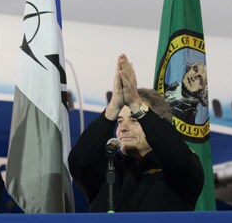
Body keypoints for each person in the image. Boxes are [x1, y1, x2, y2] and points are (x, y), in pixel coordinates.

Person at [68, 54, 204, 212]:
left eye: (134, 119)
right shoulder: (108, 170)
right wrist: (112, 107)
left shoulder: (178, 172)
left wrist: (135, 103)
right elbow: (79, 161)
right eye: (119, 121)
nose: (122, 128)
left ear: (156, 124)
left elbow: (177, 157)